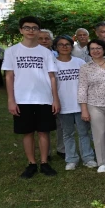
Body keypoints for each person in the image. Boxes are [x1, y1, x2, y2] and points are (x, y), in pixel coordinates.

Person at [2, 16, 60, 179]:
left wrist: (55, 99)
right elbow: (9, 77)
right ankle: (31, 164)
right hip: (22, 99)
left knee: (44, 132)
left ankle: (44, 163)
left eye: (34, 28)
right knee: (27, 132)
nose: (30, 31)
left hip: (44, 98)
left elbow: (52, 77)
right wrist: (11, 100)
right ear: (21, 30)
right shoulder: (11, 51)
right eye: (27, 28)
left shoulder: (46, 52)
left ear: (38, 30)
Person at [53, 35, 96, 171]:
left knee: (84, 132)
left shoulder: (79, 62)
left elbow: (87, 83)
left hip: (80, 104)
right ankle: (71, 159)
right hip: (63, 104)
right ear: (56, 47)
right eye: (61, 44)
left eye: (67, 44)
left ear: (72, 46)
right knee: (68, 133)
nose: (64, 47)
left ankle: (88, 158)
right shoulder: (52, 63)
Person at [78, 39, 105, 173]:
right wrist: (84, 109)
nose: (95, 51)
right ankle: (101, 162)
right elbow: (82, 89)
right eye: (92, 48)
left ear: (104, 50)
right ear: (89, 51)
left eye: (98, 48)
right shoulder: (85, 68)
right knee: (99, 132)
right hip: (94, 104)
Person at [38, 29, 63, 157]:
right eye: (40, 38)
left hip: (60, 91)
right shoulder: (34, 55)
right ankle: (46, 152)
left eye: (46, 38)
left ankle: (61, 149)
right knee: (44, 126)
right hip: (42, 93)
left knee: (61, 122)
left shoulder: (58, 55)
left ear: (51, 40)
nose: (44, 41)